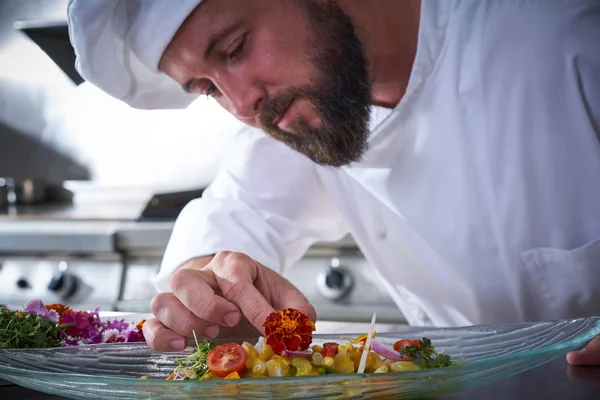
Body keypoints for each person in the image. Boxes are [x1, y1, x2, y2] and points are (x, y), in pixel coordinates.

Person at [67, 0, 600, 365]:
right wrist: (204, 294)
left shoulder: (565, 34)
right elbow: (233, 223)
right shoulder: (305, 108)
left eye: (236, 47)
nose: (242, 104)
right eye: (208, 87)